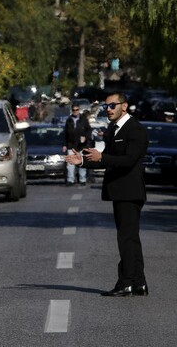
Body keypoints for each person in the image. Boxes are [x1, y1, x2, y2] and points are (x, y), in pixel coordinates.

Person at [66, 91, 149, 297]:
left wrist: (102, 157)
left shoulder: (135, 129)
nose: (108, 110)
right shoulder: (114, 129)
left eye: (112, 106)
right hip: (119, 191)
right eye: (106, 107)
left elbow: (128, 160)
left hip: (130, 192)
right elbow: (108, 160)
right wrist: (83, 162)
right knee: (130, 238)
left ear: (124, 106)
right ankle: (139, 283)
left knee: (126, 239)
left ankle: (126, 282)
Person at [63, 103, 91, 185]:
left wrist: (85, 137)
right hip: (71, 145)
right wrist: (64, 144)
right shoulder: (69, 120)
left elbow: (89, 130)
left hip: (81, 145)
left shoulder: (83, 119)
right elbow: (65, 133)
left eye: (77, 110)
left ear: (79, 110)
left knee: (81, 162)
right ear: (71, 111)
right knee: (70, 163)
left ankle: (82, 180)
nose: (75, 111)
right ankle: (70, 180)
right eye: (74, 110)